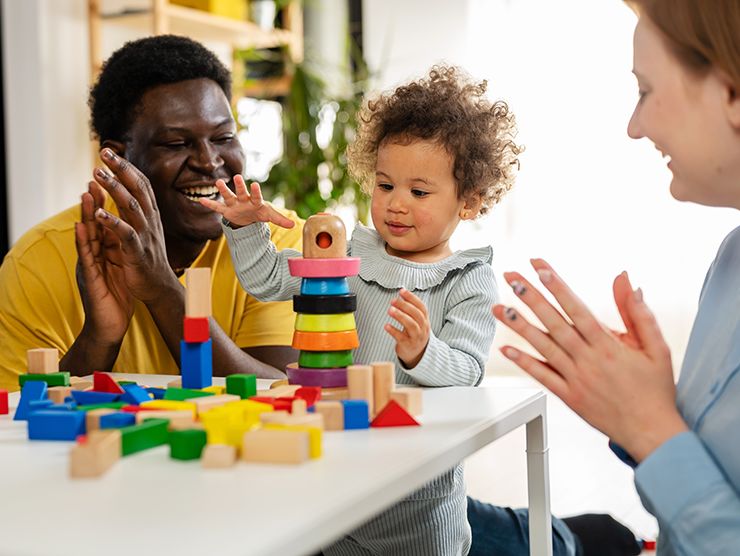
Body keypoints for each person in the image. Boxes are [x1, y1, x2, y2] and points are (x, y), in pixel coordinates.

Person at [202, 65, 518, 555]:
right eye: (385, 185)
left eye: (419, 191)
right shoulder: (351, 253)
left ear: (470, 202)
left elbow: (469, 371)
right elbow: (268, 279)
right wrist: (246, 229)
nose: (395, 204)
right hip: (339, 477)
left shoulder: (467, 278)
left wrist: (422, 352)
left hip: (418, 501)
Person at [492, 1, 740, 555]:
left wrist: (653, 427)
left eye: (646, 91)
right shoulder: (730, 262)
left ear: (731, 93)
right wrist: (630, 404)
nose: (635, 127)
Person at [0, 35, 303, 392]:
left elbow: (286, 395)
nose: (209, 161)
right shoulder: (38, 262)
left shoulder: (278, 244)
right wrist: (100, 340)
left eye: (222, 137)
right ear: (118, 159)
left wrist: (163, 292)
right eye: (176, 144)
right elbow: (16, 425)